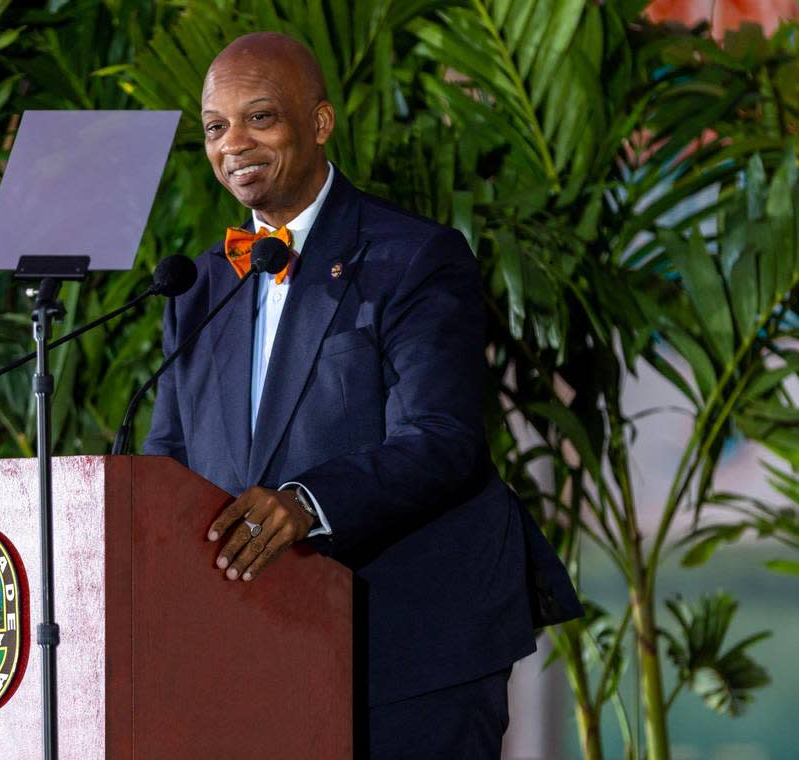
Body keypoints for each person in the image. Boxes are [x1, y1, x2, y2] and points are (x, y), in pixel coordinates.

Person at [143, 31, 581, 758]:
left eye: (260, 118)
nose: (234, 144)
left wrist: (305, 503)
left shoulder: (415, 256)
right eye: (217, 127)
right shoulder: (198, 287)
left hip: (411, 641)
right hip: (257, 648)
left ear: (319, 123)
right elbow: (169, 459)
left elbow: (441, 438)